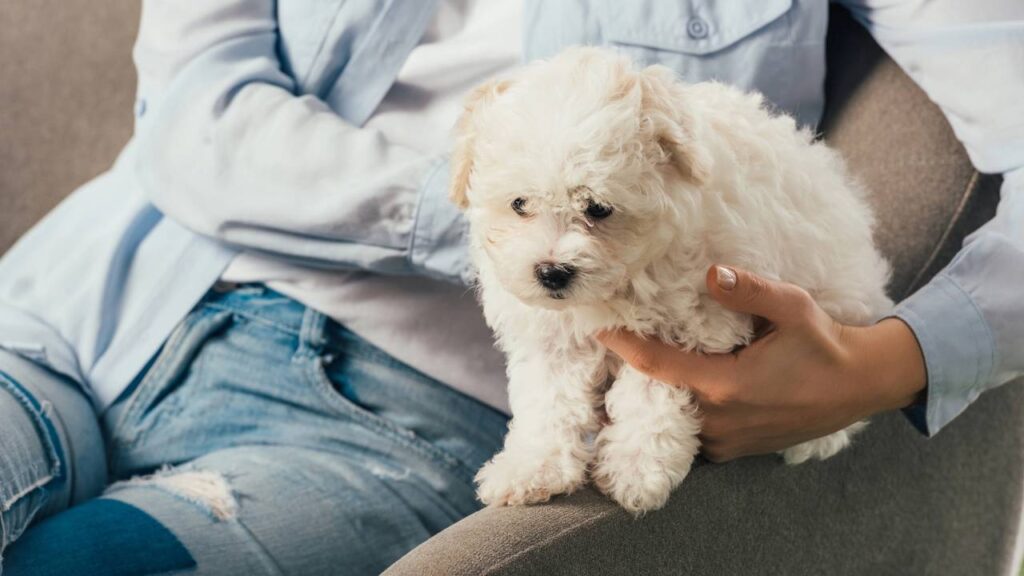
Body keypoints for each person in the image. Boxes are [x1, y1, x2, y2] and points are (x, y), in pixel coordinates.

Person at [0, 1, 1020, 574]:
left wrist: (892, 362)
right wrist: (494, 215)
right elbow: (191, 109)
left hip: (407, 419)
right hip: (91, 305)